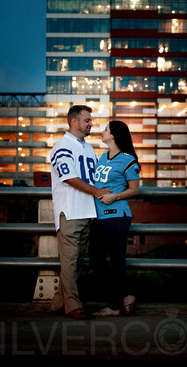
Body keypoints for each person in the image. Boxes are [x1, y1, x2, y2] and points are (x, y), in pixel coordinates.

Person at [50, 105, 111, 319]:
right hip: (70, 210)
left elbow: (96, 175)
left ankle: (58, 303)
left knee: (75, 262)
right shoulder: (62, 145)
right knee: (69, 261)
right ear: (74, 122)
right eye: (87, 120)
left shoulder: (87, 148)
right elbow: (69, 177)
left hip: (87, 212)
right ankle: (73, 305)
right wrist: (96, 191)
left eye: (90, 120)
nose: (90, 123)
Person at [89, 120, 140, 317]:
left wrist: (114, 196)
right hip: (99, 217)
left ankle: (113, 306)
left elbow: (134, 189)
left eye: (106, 130)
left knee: (117, 260)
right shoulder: (102, 157)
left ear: (114, 135)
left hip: (117, 216)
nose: (102, 132)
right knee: (96, 259)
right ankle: (125, 296)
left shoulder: (128, 160)